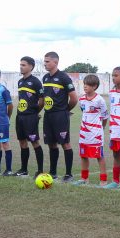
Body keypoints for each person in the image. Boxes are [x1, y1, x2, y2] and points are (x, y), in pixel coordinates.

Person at [41, 52, 78, 181]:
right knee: (51, 144)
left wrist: (65, 110)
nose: (45, 64)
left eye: (47, 61)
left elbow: (74, 98)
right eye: (44, 61)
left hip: (60, 116)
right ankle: (53, 172)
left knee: (65, 143)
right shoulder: (45, 78)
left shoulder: (64, 77)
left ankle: (68, 174)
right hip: (48, 115)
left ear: (55, 62)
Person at [75, 74, 109, 186]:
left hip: (96, 133)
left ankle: (103, 180)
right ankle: (84, 178)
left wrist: (101, 127)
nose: (85, 86)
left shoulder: (100, 100)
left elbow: (105, 117)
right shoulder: (82, 99)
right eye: (84, 84)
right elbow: (83, 111)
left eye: (88, 85)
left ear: (94, 86)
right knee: (83, 155)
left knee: (99, 156)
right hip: (84, 132)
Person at [14, 56, 45, 177]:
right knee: (22, 142)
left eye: (24, 65)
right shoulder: (20, 81)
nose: (21, 67)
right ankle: (24, 169)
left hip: (30, 117)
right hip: (20, 116)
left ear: (31, 67)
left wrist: (34, 112)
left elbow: (41, 100)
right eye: (20, 64)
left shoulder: (36, 82)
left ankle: (40, 170)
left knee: (34, 142)